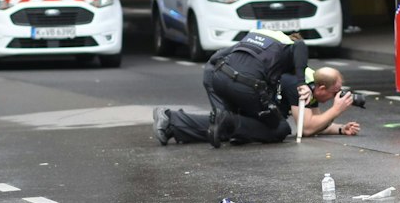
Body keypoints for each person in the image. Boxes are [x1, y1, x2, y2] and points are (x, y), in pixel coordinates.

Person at [153, 32, 362, 146]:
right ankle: (173, 120)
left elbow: (315, 123)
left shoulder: (308, 83)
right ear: (321, 87)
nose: (336, 97)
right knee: (276, 129)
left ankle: (171, 123)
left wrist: (341, 128)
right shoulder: (300, 82)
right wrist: (336, 110)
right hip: (238, 80)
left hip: (218, 72)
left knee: (230, 125)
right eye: (335, 93)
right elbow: (306, 129)